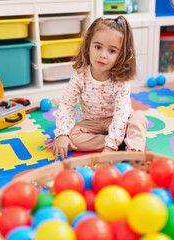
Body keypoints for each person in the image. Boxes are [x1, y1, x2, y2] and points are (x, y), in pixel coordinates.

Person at [53, 16, 148, 160]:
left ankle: (135, 152)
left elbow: (121, 115)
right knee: (72, 137)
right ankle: (120, 142)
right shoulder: (80, 75)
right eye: (98, 47)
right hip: (91, 123)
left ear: (121, 55)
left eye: (112, 51)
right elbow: (67, 105)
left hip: (116, 120)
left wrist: (111, 147)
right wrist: (62, 134)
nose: (103, 55)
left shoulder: (120, 81)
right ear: (88, 46)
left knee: (138, 118)